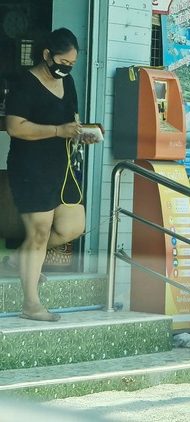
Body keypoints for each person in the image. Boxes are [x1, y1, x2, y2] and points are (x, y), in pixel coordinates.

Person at [4, 28, 100, 322]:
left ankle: (19, 259)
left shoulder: (67, 82)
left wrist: (81, 133)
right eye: (63, 62)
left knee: (73, 227)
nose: (66, 68)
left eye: (72, 64)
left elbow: (71, 121)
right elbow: (15, 127)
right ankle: (31, 303)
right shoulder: (24, 83)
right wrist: (58, 131)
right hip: (30, 168)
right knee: (40, 232)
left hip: (63, 165)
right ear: (47, 54)